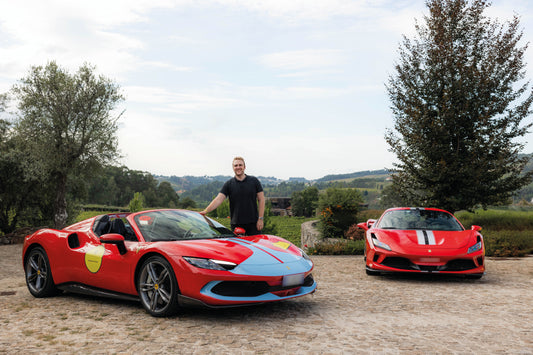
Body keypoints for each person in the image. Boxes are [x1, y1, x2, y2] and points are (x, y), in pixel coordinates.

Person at [200, 157, 265, 235]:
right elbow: (218, 199)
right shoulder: (229, 184)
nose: (238, 167)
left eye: (240, 165)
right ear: (233, 168)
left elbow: (261, 199)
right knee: (239, 247)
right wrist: (206, 211)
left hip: (254, 223)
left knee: (255, 247)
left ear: (244, 167)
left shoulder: (254, 181)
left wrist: (260, 219)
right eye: (235, 165)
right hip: (236, 224)